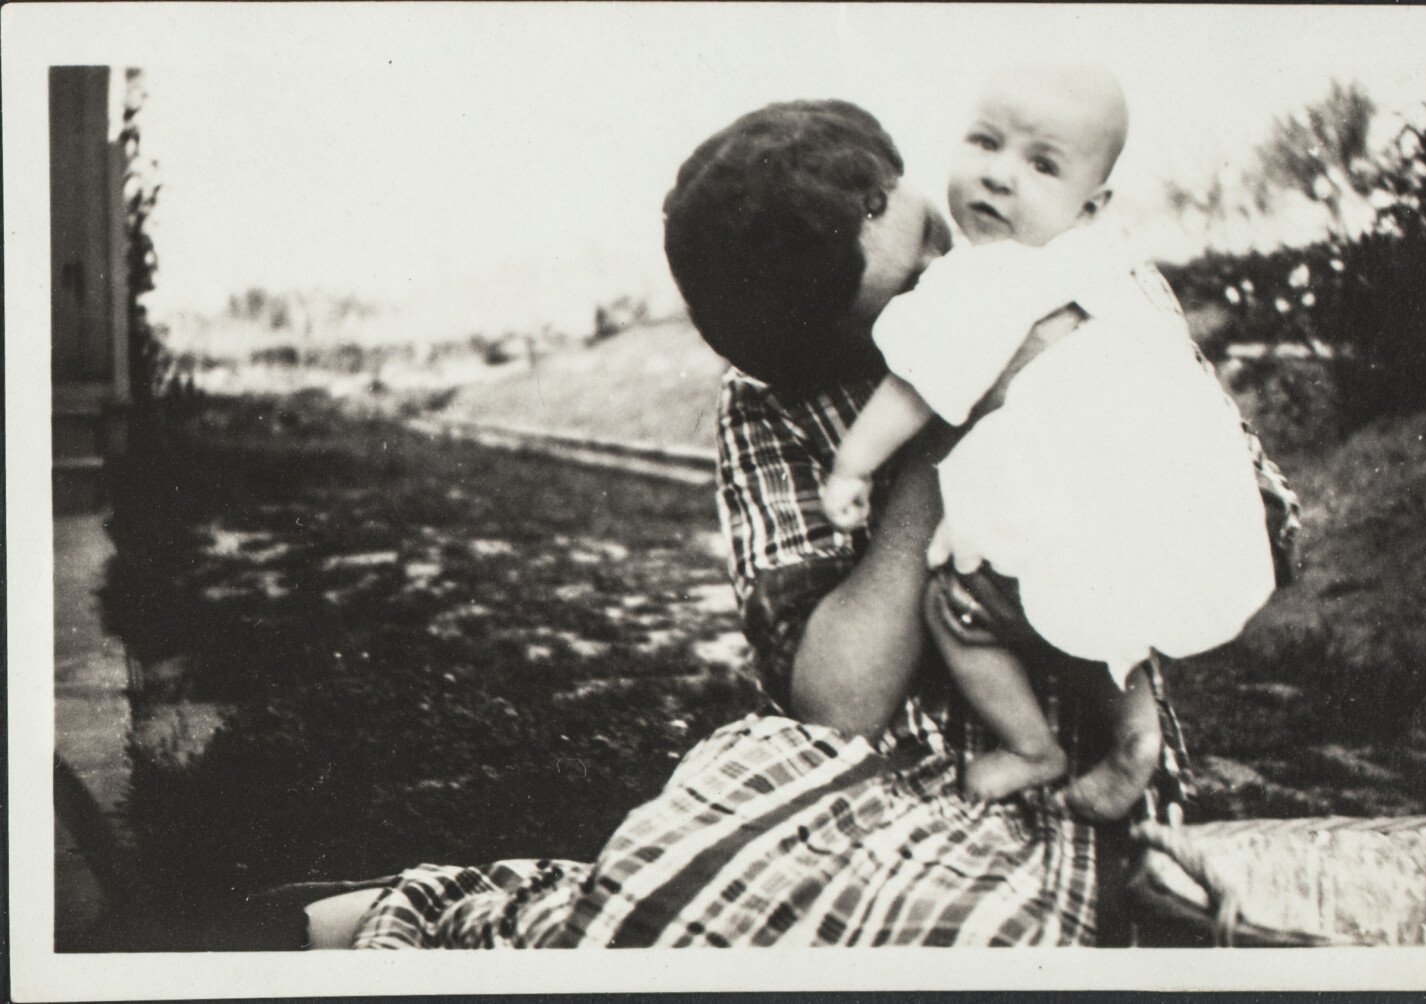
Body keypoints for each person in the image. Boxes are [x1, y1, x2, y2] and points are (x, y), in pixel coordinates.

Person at [314, 98, 1297, 949]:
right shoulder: (771, 410)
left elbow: (1264, 526)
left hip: (1072, 783)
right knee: (665, 881)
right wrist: (945, 417)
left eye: (934, 249)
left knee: (968, 938)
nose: (948, 285)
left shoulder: (1079, 289)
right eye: (901, 311)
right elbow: (834, 702)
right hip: (852, 773)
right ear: (813, 358)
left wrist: (1095, 401)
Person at [820, 66, 1280, 815]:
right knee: (1107, 614)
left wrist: (853, 464)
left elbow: (918, 385)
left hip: (1063, 505)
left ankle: (1031, 746)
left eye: (1041, 164)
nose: (1000, 177)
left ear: (1089, 203)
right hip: (1143, 513)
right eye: (985, 142)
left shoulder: (989, 277)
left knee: (958, 608)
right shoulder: (1111, 266)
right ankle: (1135, 737)